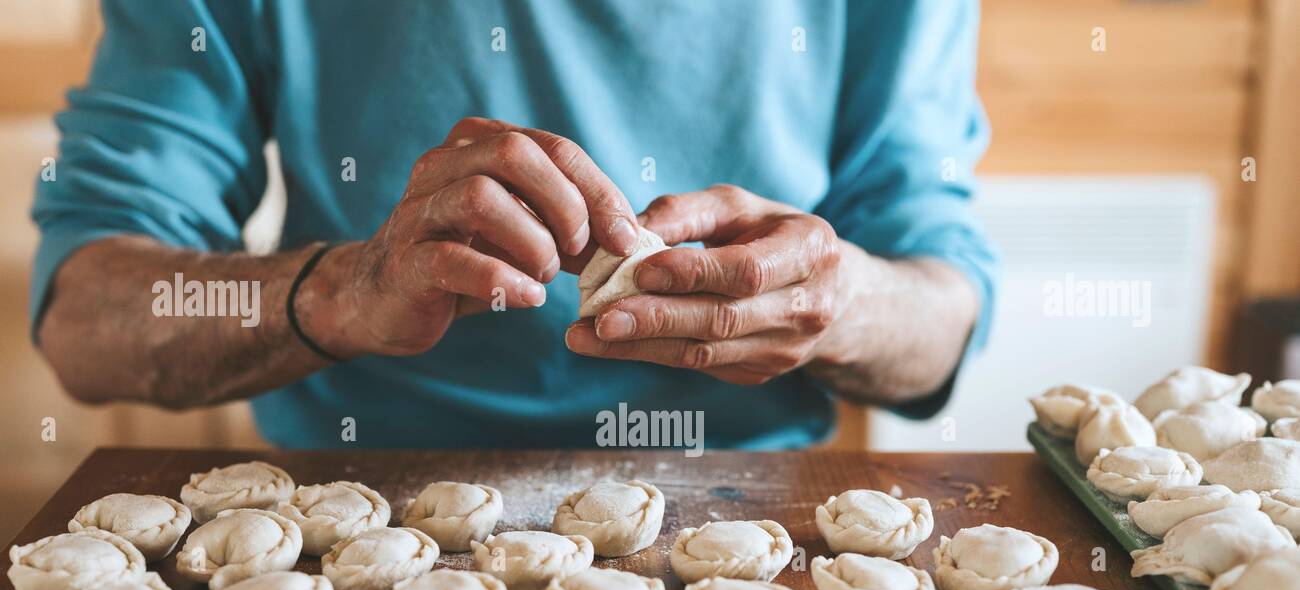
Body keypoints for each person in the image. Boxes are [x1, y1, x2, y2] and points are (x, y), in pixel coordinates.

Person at [32, 0, 996, 450]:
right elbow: (85, 314)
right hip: (348, 514)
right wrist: (343, 292)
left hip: (745, 522)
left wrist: (842, 300)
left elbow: (942, 310)